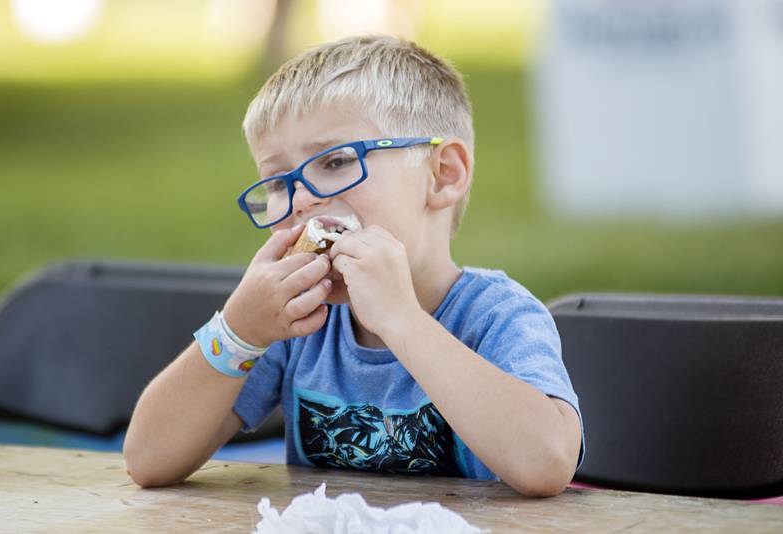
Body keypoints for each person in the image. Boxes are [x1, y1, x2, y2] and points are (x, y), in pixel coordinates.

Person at [124, 35, 583, 497]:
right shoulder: (297, 326)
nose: (301, 199)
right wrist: (237, 332)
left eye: (336, 161)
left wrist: (400, 320)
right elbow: (148, 459)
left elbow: (546, 463)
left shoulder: (495, 316)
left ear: (443, 174)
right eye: (279, 182)